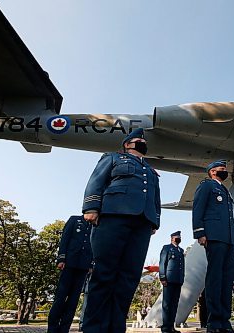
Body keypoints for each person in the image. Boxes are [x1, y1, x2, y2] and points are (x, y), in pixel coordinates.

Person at [82, 128, 161, 333]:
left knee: (129, 276)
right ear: (127, 144)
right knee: (105, 272)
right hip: (113, 216)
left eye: (143, 140)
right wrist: (91, 207)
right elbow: (96, 181)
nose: (142, 142)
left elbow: (155, 199)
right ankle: (94, 328)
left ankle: (116, 327)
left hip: (142, 222)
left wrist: (155, 221)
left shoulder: (151, 171)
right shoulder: (113, 158)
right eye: (138, 140)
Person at [193, 160, 234, 333]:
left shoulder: (225, 190)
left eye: (225, 169)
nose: (224, 171)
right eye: (221, 169)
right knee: (215, 279)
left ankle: (225, 321)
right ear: (212, 172)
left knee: (226, 281)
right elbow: (198, 209)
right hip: (214, 237)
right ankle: (214, 322)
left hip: (228, 239)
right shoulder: (207, 186)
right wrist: (200, 232)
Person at [48, 215, 93, 333]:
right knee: (60, 298)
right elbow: (65, 238)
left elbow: (95, 245)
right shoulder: (74, 220)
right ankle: (52, 329)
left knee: (73, 301)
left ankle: (64, 329)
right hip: (69, 262)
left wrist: (91, 264)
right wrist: (61, 258)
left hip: (83, 266)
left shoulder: (96, 225)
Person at [159, 231, 185, 333]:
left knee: (174, 304)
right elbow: (162, 263)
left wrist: (182, 278)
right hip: (168, 280)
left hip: (178, 280)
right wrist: (162, 277)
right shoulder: (167, 248)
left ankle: (171, 327)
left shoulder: (181, 250)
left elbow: (182, 266)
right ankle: (165, 327)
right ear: (172, 238)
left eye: (179, 237)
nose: (178, 238)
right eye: (176, 236)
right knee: (166, 304)